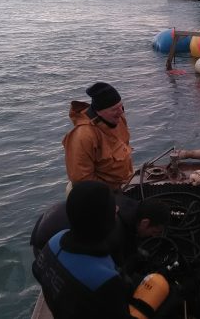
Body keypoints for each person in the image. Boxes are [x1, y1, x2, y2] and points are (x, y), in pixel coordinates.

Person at [32, 180, 134, 319]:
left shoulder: (54, 241)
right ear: (104, 222)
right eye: (112, 208)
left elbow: (37, 270)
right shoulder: (105, 280)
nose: (117, 208)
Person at [30, 194, 171, 265]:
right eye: (154, 232)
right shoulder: (115, 231)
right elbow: (115, 269)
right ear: (145, 223)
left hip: (47, 220)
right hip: (45, 245)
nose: (153, 237)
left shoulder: (127, 203)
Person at [62, 82, 133, 191]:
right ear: (99, 112)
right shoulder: (83, 136)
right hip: (101, 193)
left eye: (121, 106)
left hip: (125, 182)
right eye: (114, 109)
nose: (121, 112)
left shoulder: (118, 119)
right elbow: (82, 180)